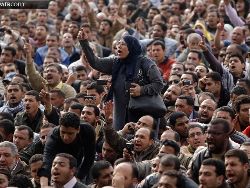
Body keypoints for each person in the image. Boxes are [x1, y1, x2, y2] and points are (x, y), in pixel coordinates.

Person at [78, 30, 164, 130]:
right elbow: (95, 62)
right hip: (121, 115)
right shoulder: (115, 62)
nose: (119, 46)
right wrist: (84, 42)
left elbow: (159, 84)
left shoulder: (146, 63)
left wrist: (141, 90)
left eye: (123, 44)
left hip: (143, 114)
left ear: (131, 48)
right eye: (118, 43)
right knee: (120, 140)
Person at [40, 112, 96, 181]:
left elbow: (89, 157)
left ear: (78, 130)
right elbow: (47, 162)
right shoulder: (53, 136)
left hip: (79, 158)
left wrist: (79, 177)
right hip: (59, 160)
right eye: (63, 132)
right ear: (59, 128)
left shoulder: (87, 131)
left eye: (70, 133)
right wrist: (44, 184)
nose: (65, 137)